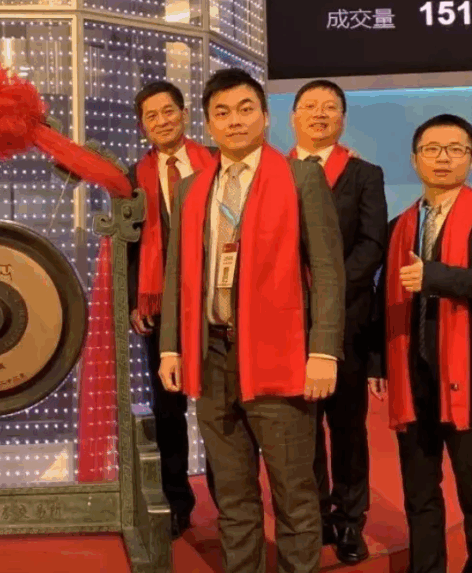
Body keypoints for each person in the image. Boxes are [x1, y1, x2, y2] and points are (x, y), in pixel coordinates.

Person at [158, 68, 346, 572]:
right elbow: (178, 274)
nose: (234, 121)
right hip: (211, 356)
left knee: (295, 496)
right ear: (208, 124)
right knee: (233, 497)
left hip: (280, 355)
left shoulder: (301, 177)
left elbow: (328, 271)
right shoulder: (192, 189)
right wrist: (172, 347)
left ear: (265, 116)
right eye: (221, 113)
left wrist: (323, 351)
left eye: (245, 109)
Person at [368, 114, 472, 573]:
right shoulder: (399, 225)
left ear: (471, 160)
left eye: (455, 149)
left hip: (470, 375)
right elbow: (381, 299)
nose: (443, 158)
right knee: (419, 494)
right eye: (432, 149)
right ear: (415, 158)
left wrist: (432, 276)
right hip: (411, 375)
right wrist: (377, 361)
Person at [288, 79, 388, 564]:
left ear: (343, 118)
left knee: (348, 428)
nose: (320, 114)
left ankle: (350, 521)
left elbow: (372, 244)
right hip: (288, 322)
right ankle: (316, 517)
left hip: (347, 319)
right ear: (293, 118)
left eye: (330, 107)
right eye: (310, 106)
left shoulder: (365, 174)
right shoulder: (276, 172)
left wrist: (327, 293)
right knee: (300, 430)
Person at [125, 80, 217, 538]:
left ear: (183, 113)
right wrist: (133, 301)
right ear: (143, 125)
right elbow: (127, 245)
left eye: (168, 111)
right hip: (160, 306)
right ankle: (177, 502)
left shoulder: (215, 161)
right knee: (167, 409)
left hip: (214, 302)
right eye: (151, 116)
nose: (161, 121)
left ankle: (228, 499)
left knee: (221, 405)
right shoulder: (133, 176)